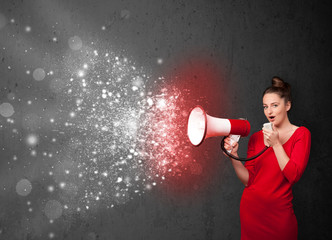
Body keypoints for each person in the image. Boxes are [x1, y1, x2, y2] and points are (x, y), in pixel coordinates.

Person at [224, 77, 311, 239]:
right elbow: (248, 181)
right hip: (251, 213)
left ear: (288, 106)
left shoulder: (301, 134)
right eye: (265, 107)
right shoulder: (256, 138)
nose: (269, 112)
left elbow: (294, 175)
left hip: (279, 217)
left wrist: (276, 145)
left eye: (275, 105)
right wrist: (234, 156)